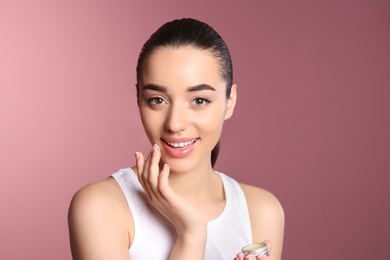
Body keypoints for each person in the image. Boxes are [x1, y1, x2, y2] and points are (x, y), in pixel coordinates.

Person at [68, 18, 284, 260]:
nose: (175, 123)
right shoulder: (100, 207)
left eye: (199, 100)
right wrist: (191, 232)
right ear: (138, 98)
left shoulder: (260, 210)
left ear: (229, 101)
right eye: (157, 100)